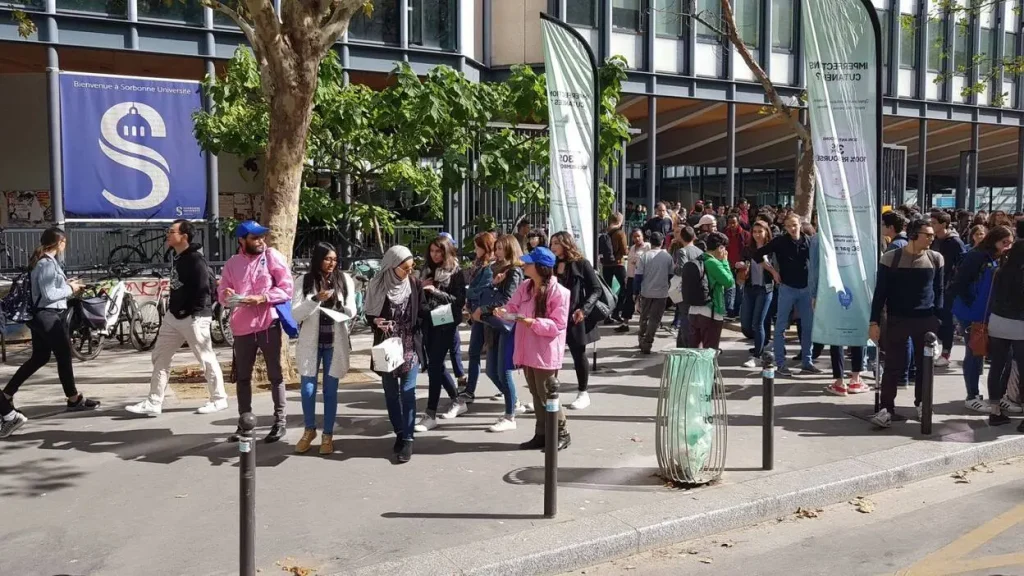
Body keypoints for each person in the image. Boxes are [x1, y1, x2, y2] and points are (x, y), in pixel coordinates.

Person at [0, 228, 98, 438]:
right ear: (59, 242)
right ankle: (73, 399)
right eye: (65, 242)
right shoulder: (45, 263)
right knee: (63, 355)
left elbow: (49, 288)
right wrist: (71, 289)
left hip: (42, 315)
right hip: (46, 316)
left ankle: (7, 394)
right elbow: (48, 293)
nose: (65, 246)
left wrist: (66, 283)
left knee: (40, 357)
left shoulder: (45, 261)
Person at [126, 219, 228, 417]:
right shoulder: (178, 257)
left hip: (194, 317)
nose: (167, 234)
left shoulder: (195, 260)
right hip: (174, 317)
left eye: (171, 231)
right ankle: (154, 402)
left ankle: (219, 399)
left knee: (206, 358)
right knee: (160, 357)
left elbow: (203, 290)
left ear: (184, 236)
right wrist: (175, 311)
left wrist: (190, 312)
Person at [218, 220, 294, 443]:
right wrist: (227, 294)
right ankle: (244, 423)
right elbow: (222, 294)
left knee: (275, 375)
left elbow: (287, 288)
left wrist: (263, 298)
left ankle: (280, 422)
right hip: (241, 326)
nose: (261, 241)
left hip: (268, 323)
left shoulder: (271, 256)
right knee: (242, 377)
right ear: (242, 240)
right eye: (255, 238)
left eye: (262, 237)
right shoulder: (232, 264)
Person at [868, 218, 944, 428]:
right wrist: (874, 322)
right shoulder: (890, 258)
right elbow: (880, 293)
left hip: (926, 321)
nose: (931, 238)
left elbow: (939, 291)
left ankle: (922, 404)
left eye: (932, 234)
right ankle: (886, 409)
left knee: (924, 366)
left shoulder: (936, 258)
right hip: (897, 319)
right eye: (926, 234)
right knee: (893, 366)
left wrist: (939, 320)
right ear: (912, 235)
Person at [494, 246, 572, 451]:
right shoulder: (526, 286)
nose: (525, 265)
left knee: (547, 394)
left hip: (545, 351)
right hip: (527, 348)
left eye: (529, 263)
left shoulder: (559, 292)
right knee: (537, 394)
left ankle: (561, 432)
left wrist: (532, 322)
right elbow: (512, 306)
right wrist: (503, 311)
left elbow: (558, 325)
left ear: (540, 267)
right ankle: (542, 433)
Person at [291, 242, 356, 455]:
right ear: (318, 259)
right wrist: (315, 300)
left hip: (334, 342)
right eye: (328, 259)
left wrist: (338, 304)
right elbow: (295, 314)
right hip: (311, 343)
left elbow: (352, 311)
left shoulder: (344, 280)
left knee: (330, 391)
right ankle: (309, 430)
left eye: (335, 259)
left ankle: (328, 434)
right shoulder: (304, 280)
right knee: (307, 389)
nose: (332, 263)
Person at [365, 246, 425, 463]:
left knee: (408, 393)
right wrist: (375, 322)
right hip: (386, 348)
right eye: (405, 268)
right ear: (392, 266)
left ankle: (408, 439)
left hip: (409, 346)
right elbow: (369, 315)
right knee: (391, 394)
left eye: (412, 267)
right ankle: (399, 432)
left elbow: (422, 312)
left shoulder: (415, 284)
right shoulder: (377, 285)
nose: (410, 271)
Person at [951, 225, 1015, 414]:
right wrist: (973, 307)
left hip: (989, 313)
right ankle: (972, 395)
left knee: (1002, 354)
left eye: (1010, 243)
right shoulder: (976, 256)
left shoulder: (998, 258)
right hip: (973, 313)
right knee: (975, 352)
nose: (1007, 246)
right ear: (994, 240)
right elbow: (960, 283)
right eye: (1004, 242)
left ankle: (997, 394)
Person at [464, 234, 525, 430]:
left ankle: (510, 415)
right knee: (491, 370)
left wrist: (484, 309)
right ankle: (513, 401)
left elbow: (507, 300)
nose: (496, 252)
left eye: (500, 249)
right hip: (493, 325)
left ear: (509, 249)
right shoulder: (497, 270)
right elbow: (488, 292)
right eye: (496, 248)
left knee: (502, 370)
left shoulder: (514, 271)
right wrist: (492, 285)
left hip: (504, 325)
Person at [755, 214, 818, 376]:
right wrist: (773, 272)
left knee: (808, 327)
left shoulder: (809, 241)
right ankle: (781, 363)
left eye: (795, 225)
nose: (793, 228)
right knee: (780, 327)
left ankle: (807, 361)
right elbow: (757, 255)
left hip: (806, 289)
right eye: (789, 226)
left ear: (800, 225)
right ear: (785, 227)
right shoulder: (780, 241)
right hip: (787, 288)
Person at [415, 236, 467, 431]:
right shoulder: (426, 269)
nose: (435, 255)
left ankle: (430, 413)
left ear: (446, 252)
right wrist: (421, 286)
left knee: (435, 364)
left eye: (439, 251)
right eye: (432, 251)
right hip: (428, 320)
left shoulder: (456, 272)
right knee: (434, 364)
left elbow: (458, 301)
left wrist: (434, 290)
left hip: (446, 321)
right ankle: (457, 400)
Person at [550, 232, 602, 411]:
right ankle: (550, 394)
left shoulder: (581, 263)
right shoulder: (552, 264)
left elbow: (596, 289)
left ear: (566, 244)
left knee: (578, 354)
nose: (553, 246)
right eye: (552, 243)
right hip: (554, 315)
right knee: (552, 355)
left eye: (556, 243)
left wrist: (584, 309)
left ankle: (583, 392)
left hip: (575, 315)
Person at [985, 240, 1024, 427]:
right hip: (1020, 325)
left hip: (998, 322)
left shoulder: (1000, 272)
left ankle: (994, 411)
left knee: (997, 366)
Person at [930, 211, 967, 367]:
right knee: (934, 318)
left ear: (944, 224)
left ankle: (946, 352)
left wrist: (953, 284)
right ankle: (936, 346)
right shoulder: (933, 240)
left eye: (934, 223)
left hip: (948, 287)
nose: (931, 226)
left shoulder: (955, 242)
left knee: (946, 321)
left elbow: (962, 266)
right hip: (933, 285)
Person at [739, 221, 778, 368]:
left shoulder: (772, 250)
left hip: (765, 289)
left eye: (760, 231)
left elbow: (777, 268)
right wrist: (741, 265)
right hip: (750, 288)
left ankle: (758, 355)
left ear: (766, 232)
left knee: (758, 322)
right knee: (747, 323)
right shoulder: (749, 249)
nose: (756, 234)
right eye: (754, 231)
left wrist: (770, 267)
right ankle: (763, 346)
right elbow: (742, 260)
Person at [462, 232, 495, 400]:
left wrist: (467, 292)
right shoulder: (478, 264)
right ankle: (470, 389)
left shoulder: (490, 267)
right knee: (474, 352)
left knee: (492, 356)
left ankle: (507, 391)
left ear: (485, 247)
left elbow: (484, 289)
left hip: (485, 314)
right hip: (476, 313)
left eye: (477, 246)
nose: (475, 249)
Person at [687, 232, 735, 349]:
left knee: (694, 350)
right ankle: (708, 368)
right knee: (710, 351)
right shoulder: (713, 263)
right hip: (711, 312)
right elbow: (729, 281)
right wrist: (724, 262)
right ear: (720, 247)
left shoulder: (699, 259)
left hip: (693, 311)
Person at [634, 231, 674, 354]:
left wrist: (635, 292)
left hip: (646, 292)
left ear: (650, 243)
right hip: (662, 293)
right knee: (655, 319)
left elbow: (638, 276)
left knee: (644, 317)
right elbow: (671, 275)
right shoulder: (667, 257)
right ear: (662, 242)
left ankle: (641, 338)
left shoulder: (644, 256)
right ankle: (648, 342)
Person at [672, 225, 704, 347]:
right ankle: (682, 344)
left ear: (681, 236)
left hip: (685, 290)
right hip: (698, 288)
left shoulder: (682, 251)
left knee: (685, 316)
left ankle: (686, 345)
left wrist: (674, 269)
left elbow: (682, 269)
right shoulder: (700, 251)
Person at [614, 229, 650, 334]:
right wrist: (627, 277)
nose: (637, 238)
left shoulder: (647, 247)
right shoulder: (632, 248)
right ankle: (625, 323)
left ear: (642, 236)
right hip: (631, 277)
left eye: (638, 236)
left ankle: (644, 325)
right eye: (634, 237)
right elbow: (629, 264)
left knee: (643, 301)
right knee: (628, 300)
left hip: (643, 277)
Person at [599, 213, 628, 323]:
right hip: (618, 263)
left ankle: (606, 315)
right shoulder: (620, 233)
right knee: (625, 287)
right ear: (620, 221)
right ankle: (616, 311)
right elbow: (624, 251)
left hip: (606, 264)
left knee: (607, 289)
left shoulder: (604, 232)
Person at [723, 214, 750, 319]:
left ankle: (737, 311)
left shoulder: (745, 235)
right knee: (729, 288)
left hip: (741, 267)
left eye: (734, 222)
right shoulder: (725, 234)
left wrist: (745, 263)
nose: (732, 225)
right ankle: (730, 311)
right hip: (728, 265)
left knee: (740, 290)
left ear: (738, 222)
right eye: (730, 223)